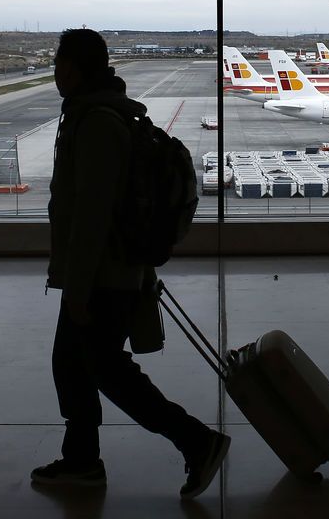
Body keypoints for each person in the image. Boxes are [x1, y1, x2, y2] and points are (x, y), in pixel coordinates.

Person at [31, 28, 230, 499]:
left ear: (77, 69)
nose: (55, 72)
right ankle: (82, 460)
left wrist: (77, 288)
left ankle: (196, 441)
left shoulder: (98, 123)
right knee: (73, 364)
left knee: (107, 371)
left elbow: (93, 216)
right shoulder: (95, 113)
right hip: (106, 270)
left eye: (60, 63)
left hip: (104, 274)